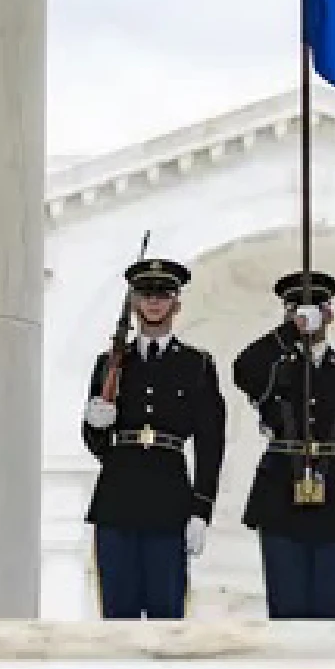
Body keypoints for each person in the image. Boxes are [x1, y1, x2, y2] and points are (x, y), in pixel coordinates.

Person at [232, 271, 335, 619]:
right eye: (296, 310)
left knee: (334, 614)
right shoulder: (272, 370)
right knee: (286, 612)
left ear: (330, 313)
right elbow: (242, 368)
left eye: (316, 307)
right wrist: (291, 332)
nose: (308, 316)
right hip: (279, 499)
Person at [82, 257, 226, 618]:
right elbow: (97, 444)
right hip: (117, 498)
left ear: (176, 303)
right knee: (117, 615)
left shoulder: (197, 364)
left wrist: (201, 510)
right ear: (134, 302)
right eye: (146, 294)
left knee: (167, 616)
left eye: (163, 295)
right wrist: (96, 425)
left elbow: (210, 443)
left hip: (169, 502)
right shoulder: (110, 362)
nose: (154, 302)